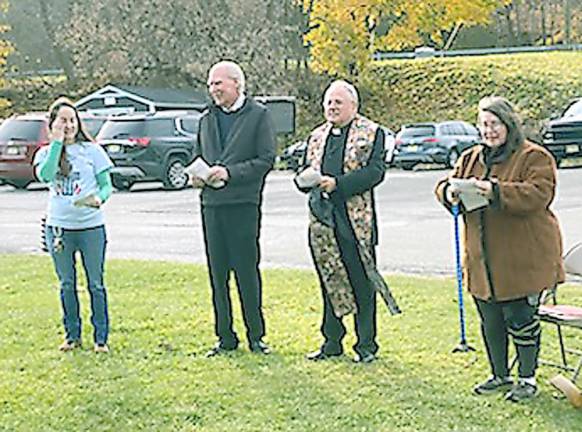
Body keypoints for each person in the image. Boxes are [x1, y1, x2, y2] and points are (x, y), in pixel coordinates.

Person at [434, 96, 565, 402]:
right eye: (484, 125)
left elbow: (538, 195)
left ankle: (527, 379)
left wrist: (494, 190)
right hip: (483, 259)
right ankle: (499, 374)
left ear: (509, 124)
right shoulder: (471, 157)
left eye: (495, 124)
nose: (489, 131)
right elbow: (444, 184)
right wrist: (448, 192)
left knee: (521, 319)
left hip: (524, 257)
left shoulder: (535, 157)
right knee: (490, 319)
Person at [190, 61, 276, 357]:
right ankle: (225, 337)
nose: (214, 90)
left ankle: (256, 336)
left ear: (237, 84)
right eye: (211, 84)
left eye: (219, 84)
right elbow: (197, 154)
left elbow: (266, 160)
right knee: (217, 274)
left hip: (242, 204)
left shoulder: (258, 115)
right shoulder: (206, 119)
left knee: (246, 272)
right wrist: (196, 175)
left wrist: (229, 172)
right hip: (211, 206)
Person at [298, 80, 386, 364]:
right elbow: (304, 170)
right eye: (328, 102)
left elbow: (375, 172)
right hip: (323, 220)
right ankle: (332, 341)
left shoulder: (372, 133)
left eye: (337, 102)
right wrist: (305, 182)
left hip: (356, 221)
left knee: (361, 282)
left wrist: (337, 184)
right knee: (329, 279)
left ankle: (366, 345)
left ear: (353, 105)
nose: (332, 107)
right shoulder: (317, 136)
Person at [34, 97, 114, 353]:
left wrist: (98, 199)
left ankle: (101, 338)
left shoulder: (92, 151)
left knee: (95, 283)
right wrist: (57, 143)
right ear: (52, 124)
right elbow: (45, 175)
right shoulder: (46, 153)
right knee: (66, 283)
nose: (68, 125)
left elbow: (106, 185)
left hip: (91, 228)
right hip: (59, 228)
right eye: (62, 121)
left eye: (72, 120)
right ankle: (72, 335)